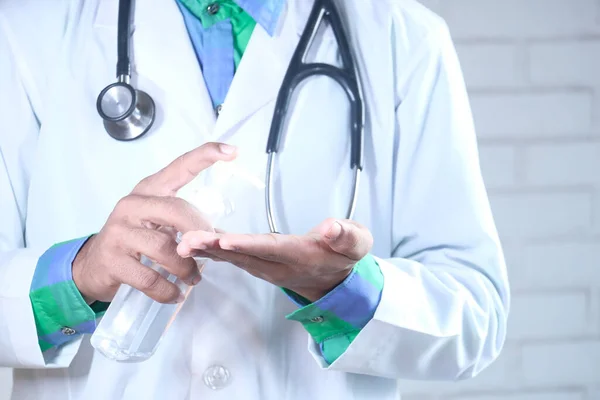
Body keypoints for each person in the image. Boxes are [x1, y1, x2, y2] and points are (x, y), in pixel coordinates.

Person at [0, 0, 510, 399]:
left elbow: (475, 316)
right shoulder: (24, 34)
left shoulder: (405, 39)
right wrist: (77, 276)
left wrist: (341, 288)